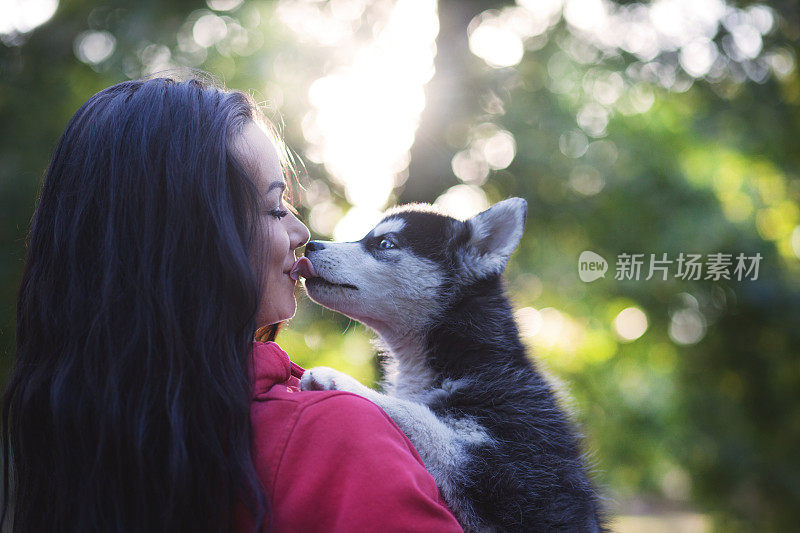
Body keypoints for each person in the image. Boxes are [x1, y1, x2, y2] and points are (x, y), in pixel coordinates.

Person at [1, 77, 462, 532]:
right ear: (190, 239)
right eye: (276, 208)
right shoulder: (331, 437)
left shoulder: (69, 444)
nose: (302, 235)